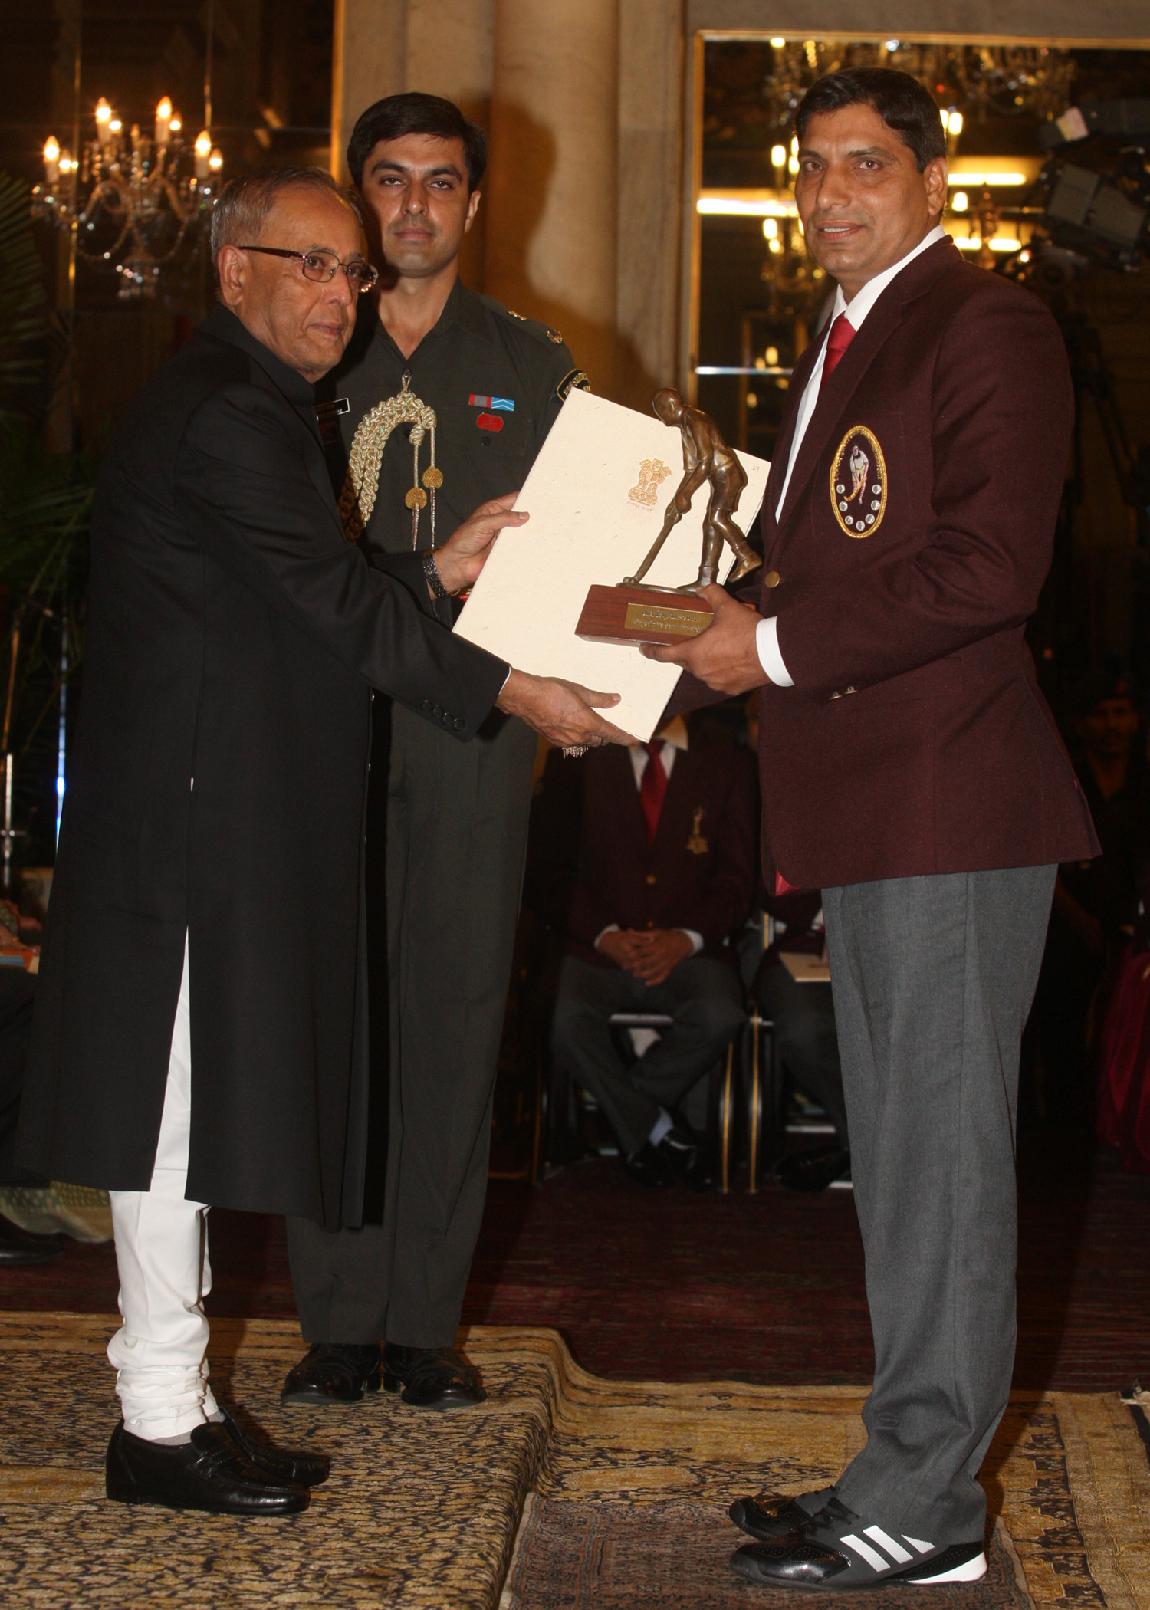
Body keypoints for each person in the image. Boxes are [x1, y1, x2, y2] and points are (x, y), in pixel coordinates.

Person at [15, 166, 624, 1518]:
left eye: (351, 272)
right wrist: (518, 689)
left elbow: (307, 587)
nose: (339, 295)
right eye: (310, 264)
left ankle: (177, 1400)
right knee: (166, 1122)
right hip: (187, 834)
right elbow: (335, 609)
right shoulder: (230, 410)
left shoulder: (248, 402)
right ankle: (155, 1418)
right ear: (234, 268)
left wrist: (436, 571)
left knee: (177, 1119)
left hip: (208, 819)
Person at [647, 68, 1098, 1591]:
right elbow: (802, 576)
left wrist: (762, 649)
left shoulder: (983, 323)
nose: (829, 194)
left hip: (949, 805)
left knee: (942, 1165)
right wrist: (658, 642)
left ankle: (930, 1508)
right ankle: (895, 1467)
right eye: (811, 168)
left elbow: (988, 565)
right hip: (881, 807)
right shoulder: (841, 340)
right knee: (903, 1161)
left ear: (929, 182)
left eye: (864, 165)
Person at [281, 93, 590, 1414]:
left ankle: (422, 1324)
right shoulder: (303, 346)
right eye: (390, 179)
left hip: (476, 728)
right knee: (330, 1012)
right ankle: (335, 1320)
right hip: (319, 726)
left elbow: (583, 556)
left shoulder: (533, 362)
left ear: (475, 200)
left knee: (456, 1019)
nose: (414, 205)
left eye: (440, 181)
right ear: (356, 194)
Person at [526, 715, 756, 1185]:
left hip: (692, 952)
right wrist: (603, 934)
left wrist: (686, 938)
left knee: (720, 1014)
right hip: (596, 949)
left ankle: (628, 1120)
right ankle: (659, 1130)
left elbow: (738, 880)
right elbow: (547, 868)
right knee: (563, 1019)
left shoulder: (727, 762)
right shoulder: (578, 753)